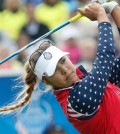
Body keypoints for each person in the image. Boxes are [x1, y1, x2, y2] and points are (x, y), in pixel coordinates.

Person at [0, 2, 120, 134]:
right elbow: (106, 57)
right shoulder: (77, 100)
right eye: (54, 69)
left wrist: (114, 9)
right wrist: (101, 16)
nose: (64, 69)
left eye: (62, 60)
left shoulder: (88, 82)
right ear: (47, 81)